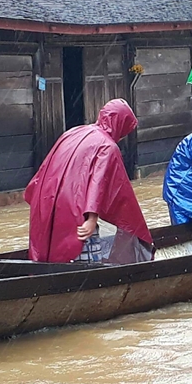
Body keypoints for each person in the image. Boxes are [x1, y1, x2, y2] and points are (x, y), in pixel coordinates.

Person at [25, 99, 154, 263]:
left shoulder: (74, 132)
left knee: (53, 248)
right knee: (83, 247)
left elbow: (47, 167)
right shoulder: (107, 146)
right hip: (75, 207)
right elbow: (97, 184)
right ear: (120, 125)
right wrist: (92, 219)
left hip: (48, 201)